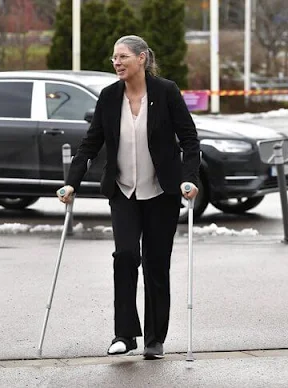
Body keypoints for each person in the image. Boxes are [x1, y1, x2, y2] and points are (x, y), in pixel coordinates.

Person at [57, 35, 200, 360]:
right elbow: (90, 144)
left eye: (122, 56)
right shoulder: (109, 97)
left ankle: (154, 339)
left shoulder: (165, 92)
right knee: (124, 257)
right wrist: (71, 184)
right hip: (123, 191)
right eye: (114, 58)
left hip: (161, 192)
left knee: (156, 263)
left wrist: (188, 179)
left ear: (142, 59)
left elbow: (190, 140)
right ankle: (124, 334)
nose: (116, 62)